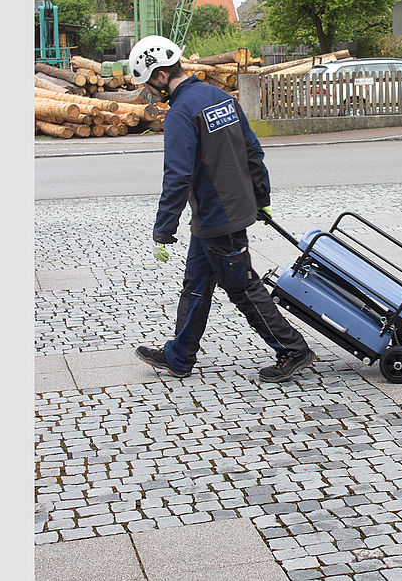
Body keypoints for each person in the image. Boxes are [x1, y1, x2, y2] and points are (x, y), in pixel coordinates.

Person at [129, 35, 315, 382]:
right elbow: (252, 150)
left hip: (218, 217)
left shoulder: (181, 113)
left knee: (242, 287)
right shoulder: (219, 97)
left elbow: (177, 175)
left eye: (148, 86)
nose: (150, 93)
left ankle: (292, 349)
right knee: (196, 283)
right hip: (219, 215)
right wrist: (262, 198)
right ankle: (180, 355)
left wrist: (163, 229)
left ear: (160, 76)